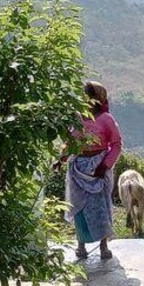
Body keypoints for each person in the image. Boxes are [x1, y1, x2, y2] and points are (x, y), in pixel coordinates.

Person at [56, 81, 123, 260]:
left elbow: (116, 144)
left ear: (97, 98)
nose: (86, 99)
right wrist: (61, 159)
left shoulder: (106, 119)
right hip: (78, 167)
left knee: (100, 207)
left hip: (97, 168)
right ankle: (81, 245)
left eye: (89, 95)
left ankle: (103, 246)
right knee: (79, 207)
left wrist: (104, 166)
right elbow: (70, 142)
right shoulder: (78, 118)